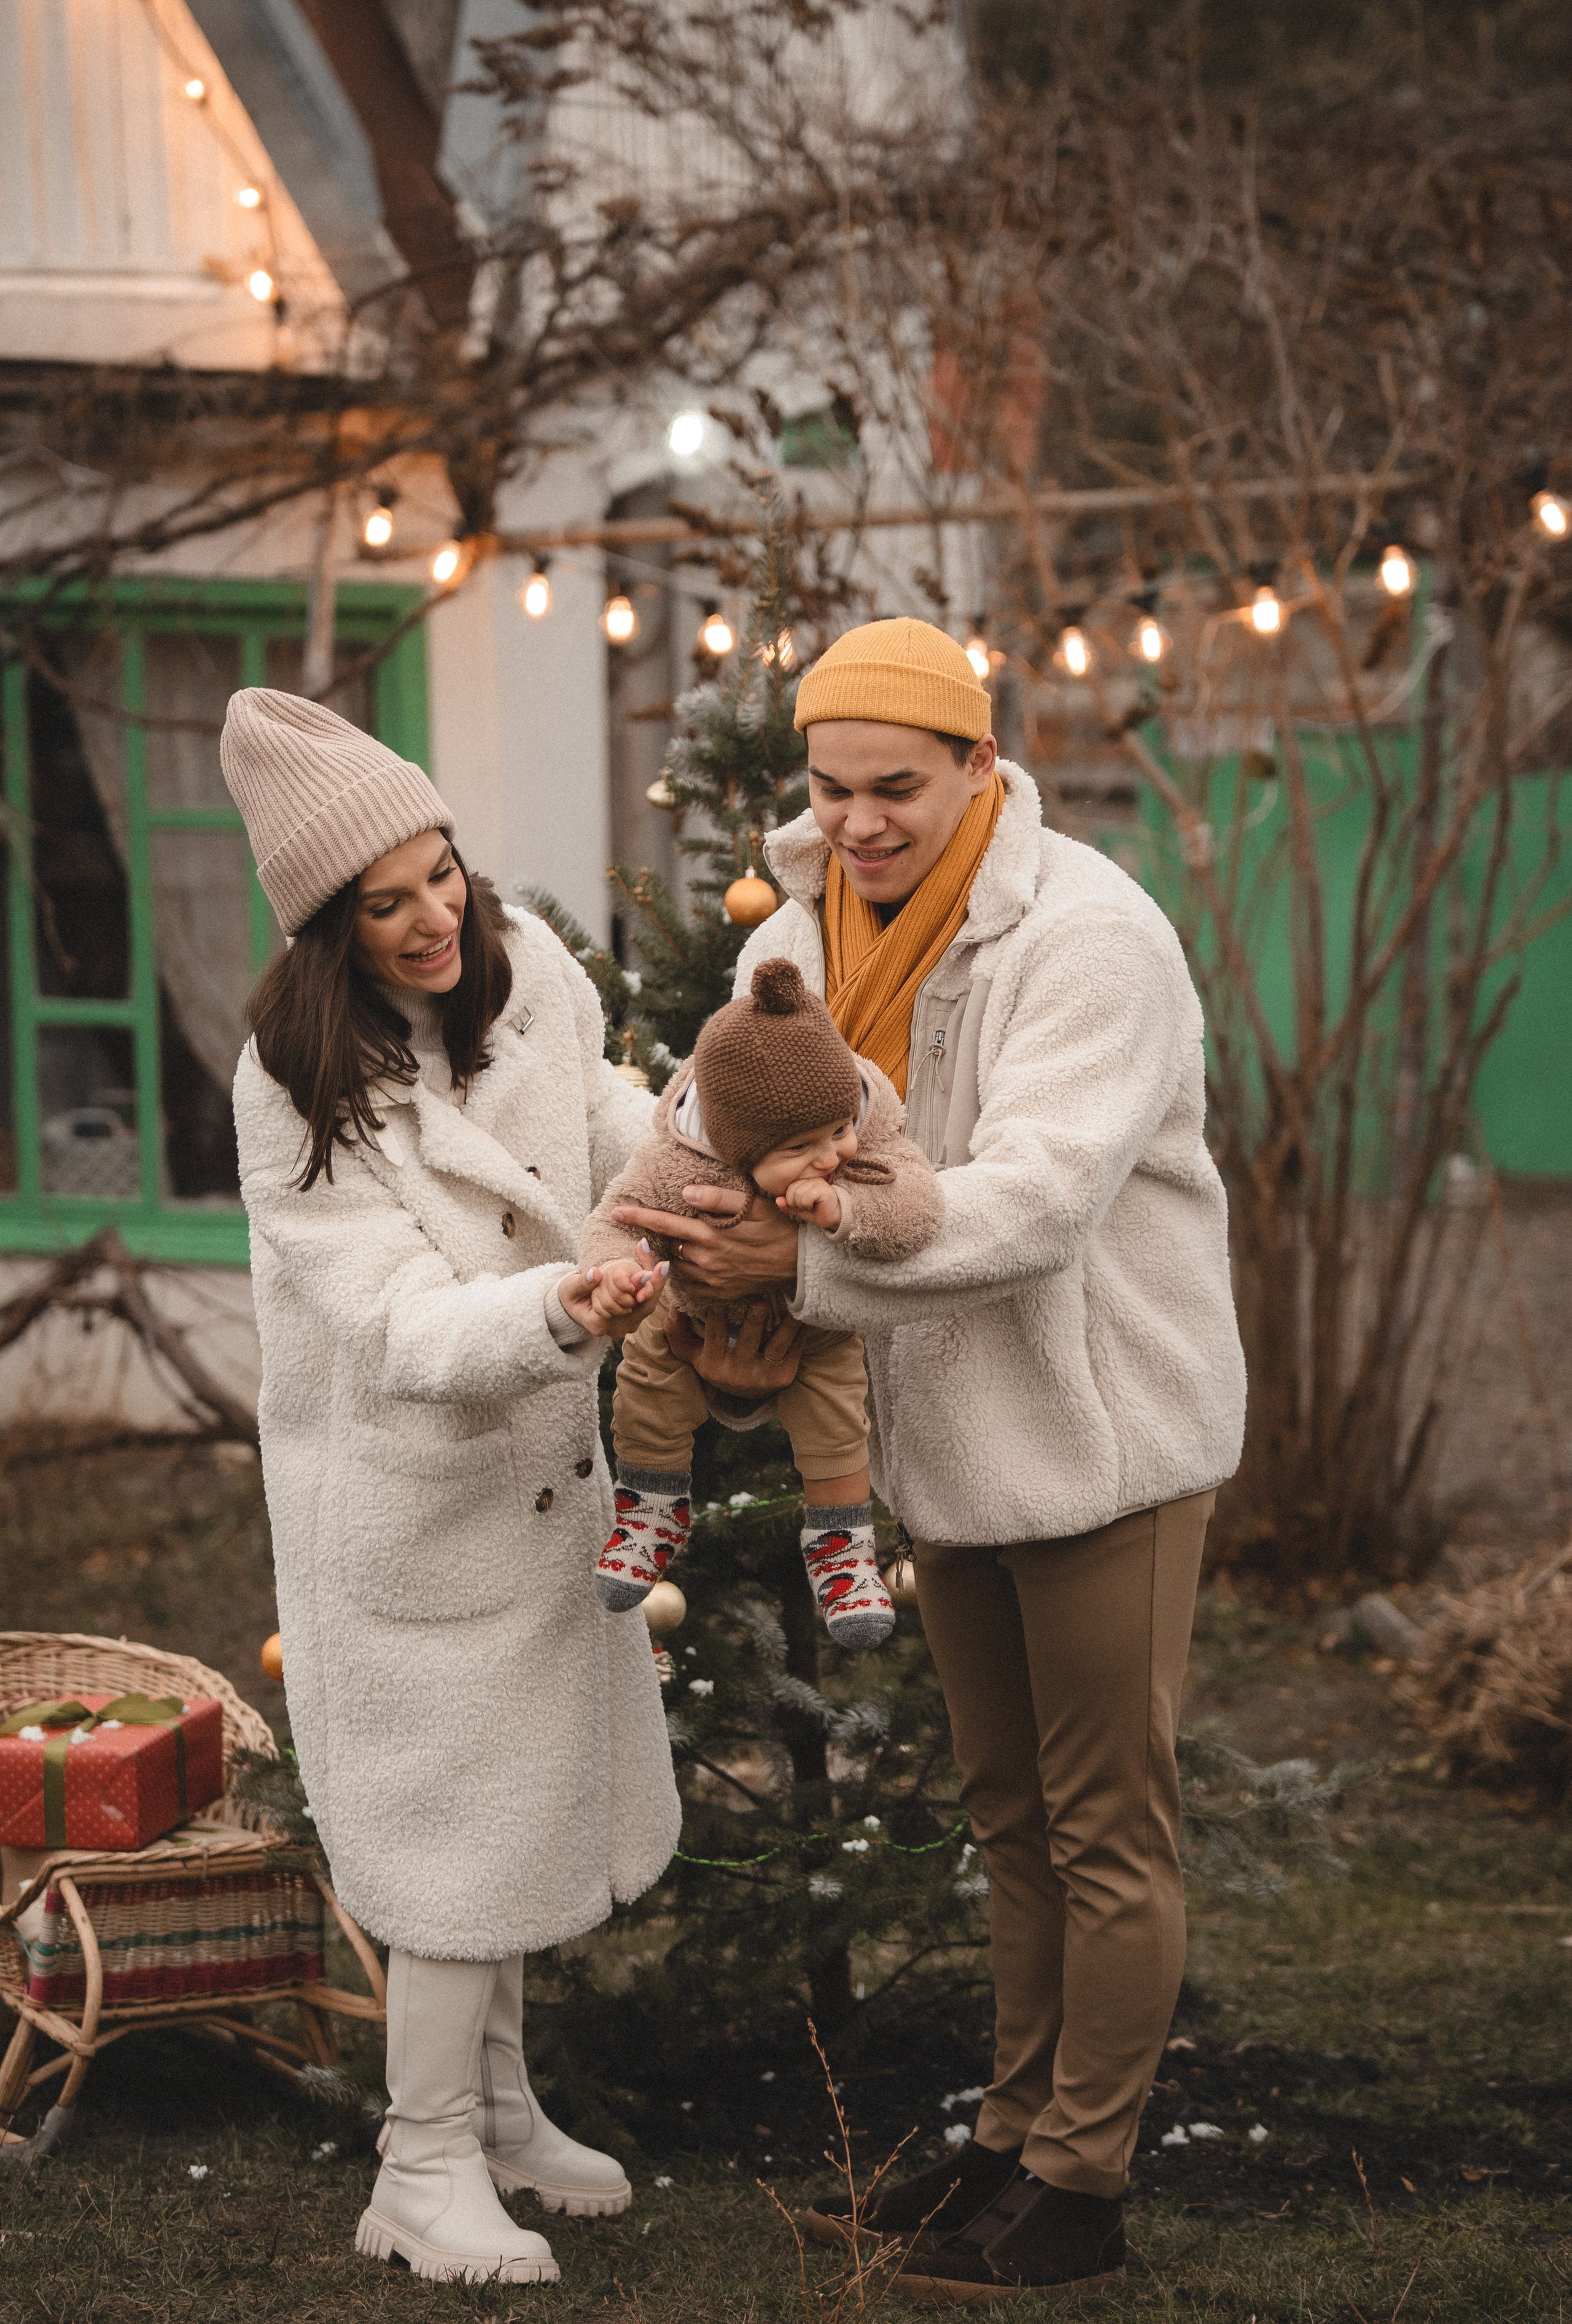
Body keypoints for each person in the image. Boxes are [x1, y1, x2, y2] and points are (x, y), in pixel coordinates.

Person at [610, 618, 1248, 2305]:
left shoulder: (1092, 937)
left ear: (980, 763)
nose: (857, 820)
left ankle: (1081, 2185)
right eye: (830, 787)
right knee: (1009, 1814)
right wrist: (708, 1275)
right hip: (953, 1430)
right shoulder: (806, 925)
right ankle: (1010, 2138)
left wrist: (796, 1264)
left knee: (1106, 1825)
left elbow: (1037, 1200)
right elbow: (719, 1117)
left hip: (1103, 1426)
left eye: (894, 785)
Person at [221, 687, 680, 2288]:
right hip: (404, 1497)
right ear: (327, 929)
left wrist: (691, 1156)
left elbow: (605, 1118)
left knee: (517, 1809)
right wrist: (565, 1307)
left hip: (540, 1473)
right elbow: (400, 1324)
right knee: (447, 1848)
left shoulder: (527, 967)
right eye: (385, 902)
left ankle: (493, 2112)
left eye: (442, 875)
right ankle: (416, 2168)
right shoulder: (293, 1085)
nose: (433, 919)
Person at [578, 956, 942, 1646]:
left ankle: (842, 1548)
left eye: (838, 1128)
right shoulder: (679, 1158)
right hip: (691, 1311)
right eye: (802, 1147)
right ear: (737, 1147)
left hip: (815, 1321)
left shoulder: (865, 1133)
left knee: (835, 1413)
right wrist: (615, 1271)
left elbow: (919, 1208)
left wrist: (845, 1211)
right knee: (648, 1380)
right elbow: (618, 1215)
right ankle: (650, 1506)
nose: (832, 1155)